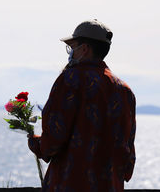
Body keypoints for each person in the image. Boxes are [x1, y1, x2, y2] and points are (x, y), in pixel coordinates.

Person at [28, 19, 136, 192]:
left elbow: (53, 140)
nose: (70, 52)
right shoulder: (125, 91)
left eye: (72, 47)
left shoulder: (71, 80)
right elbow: (128, 156)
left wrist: (35, 143)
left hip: (70, 183)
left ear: (84, 49)